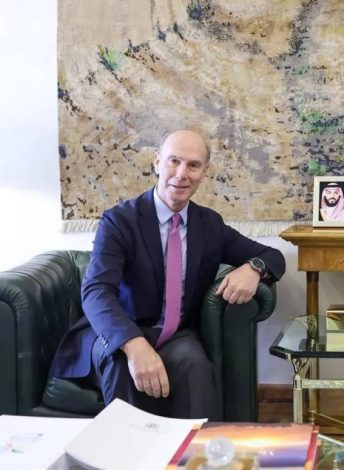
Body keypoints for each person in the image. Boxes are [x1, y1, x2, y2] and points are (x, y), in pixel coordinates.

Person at [50, 130, 286, 420]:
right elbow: (96, 291)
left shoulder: (209, 225)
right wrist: (135, 345)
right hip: (119, 330)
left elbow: (273, 256)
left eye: (193, 165)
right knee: (122, 364)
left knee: (195, 366)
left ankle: (199, 448)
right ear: (157, 163)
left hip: (176, 336)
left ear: (204, 172)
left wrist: (254, 269)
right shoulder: (120, 221)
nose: (182, 174)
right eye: (174, 161)